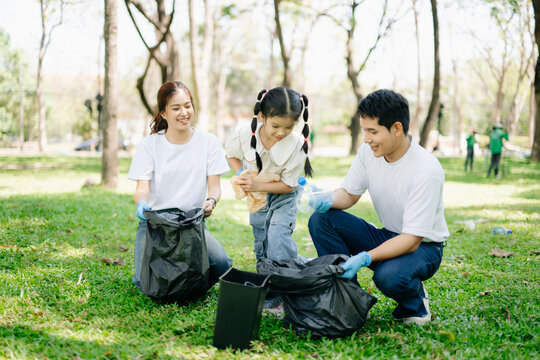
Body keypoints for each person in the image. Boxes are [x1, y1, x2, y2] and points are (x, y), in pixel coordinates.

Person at [308, 89, 449, 325]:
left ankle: (415, 303)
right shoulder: (368, 152)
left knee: (389, 277)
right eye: (364, 131)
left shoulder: (426, 170)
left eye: (372, 131)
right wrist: (327, 198)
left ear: (396, 128)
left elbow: (412, 239)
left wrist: (366, 257)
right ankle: (347, 298)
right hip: (388, 234)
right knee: (322, 219)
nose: (366, 139)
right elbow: (350, 194)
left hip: (424, 247)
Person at [127, 81, 232, 291]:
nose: (184, 112)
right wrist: (142, 204)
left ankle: (189, 279)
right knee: (143, 282)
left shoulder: (208, 142)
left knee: (222, 265)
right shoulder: (150, 145)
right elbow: (142, 188)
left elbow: (215, 187)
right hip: (157, 224)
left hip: (190, 224)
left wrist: (211, 201)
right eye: (176, 108)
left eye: (187, 105)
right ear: (164, 113)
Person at [225, 87, 312, 312]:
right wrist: (241, 174)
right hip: (258, 197)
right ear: (262, 117)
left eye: (289, 127)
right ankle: (279, 279)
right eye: (276, 126)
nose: (281, 132)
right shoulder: (246, 134)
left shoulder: (295, 146)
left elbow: (288, 185)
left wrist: (256, 184)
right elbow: (232, 154)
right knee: (262, 240)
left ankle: (283, 292)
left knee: (277, 236)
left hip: (284, 195)